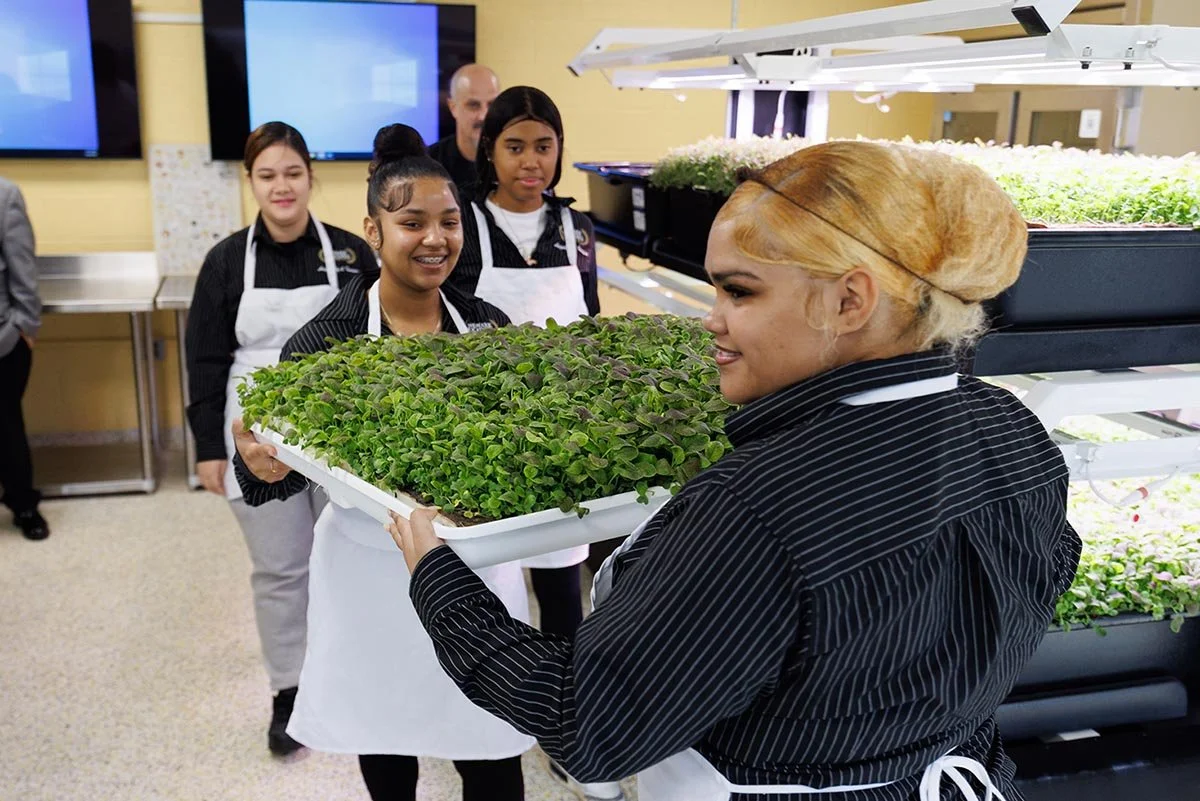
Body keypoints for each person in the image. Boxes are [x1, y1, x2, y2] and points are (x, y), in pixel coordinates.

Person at [391, 141, 1084, 801]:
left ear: (849, 300)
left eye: (739, 292)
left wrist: (443, 584)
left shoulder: (757, 505)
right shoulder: (1012, 430)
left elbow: (590, 726)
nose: (712, 321)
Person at [230, 124, 533, 801]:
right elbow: (272, 473)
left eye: (449, 222)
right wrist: (260, 464)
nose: (435, 239)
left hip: (475, 568)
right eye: (412, 222)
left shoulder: (487, 328)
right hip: (370, 574)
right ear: (374, 230)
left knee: (489, 744)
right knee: (385, 737)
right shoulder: (325, 339)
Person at [185, 121, 375, 756]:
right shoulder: (224, 262)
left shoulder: (351, 253)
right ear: (251, 182)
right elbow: (205, 359)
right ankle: (289, 690)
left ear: (311, 177)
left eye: (293, 173)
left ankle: (347, 674)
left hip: (341, 432)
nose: (282, 186)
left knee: (348, 559)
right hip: (253, 436)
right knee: (279, 569)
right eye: (267, 175)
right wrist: (207, 448)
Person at [444, 84, 611, 798]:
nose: (531, 161)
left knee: (564, 588)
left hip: (566, 437)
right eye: (515, 146)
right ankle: (492, 723)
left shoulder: (576, 229)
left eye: (544, 146)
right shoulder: (466, 224)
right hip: (489, 436)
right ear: (490, 151)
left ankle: (565, 732)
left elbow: (592, 316)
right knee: (495, 586)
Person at [0, 176, 48, 541]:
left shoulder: (4, 195)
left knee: (6, 426)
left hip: (3, 337)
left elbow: (22, 267)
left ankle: (24, 506)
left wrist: (24, 327)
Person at [427, 64, 501, 198]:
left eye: (491, 105)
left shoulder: (513, 163)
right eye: (473, 105)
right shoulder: (428, 165)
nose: (483, 116)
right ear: (453, 107)